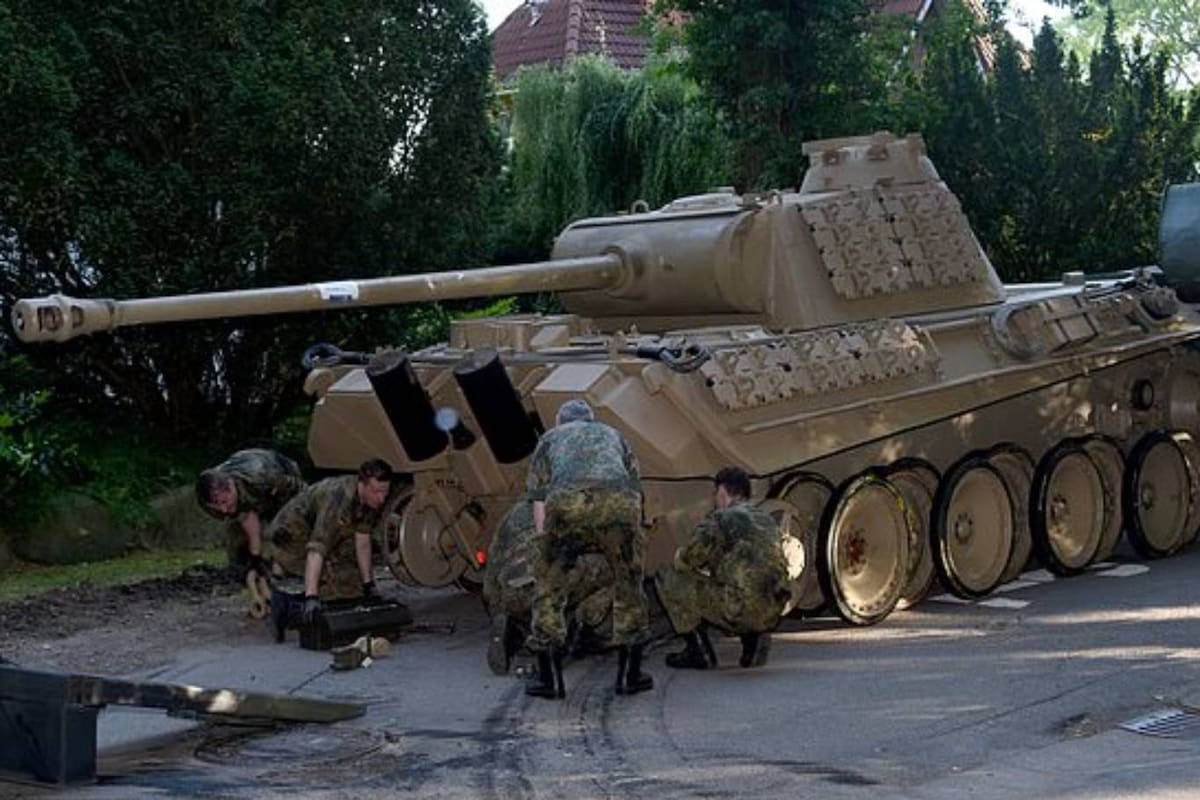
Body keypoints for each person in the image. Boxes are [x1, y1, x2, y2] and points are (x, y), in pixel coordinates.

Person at [524, 398, 652, 699]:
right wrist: (632, 540)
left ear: (561, 422)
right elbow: (635, 488)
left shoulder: (550, 438)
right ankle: (629, 676)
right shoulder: (613, 435)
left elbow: (539, 499)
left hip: (567, 503)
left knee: (549, 591)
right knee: (629, 587)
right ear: (591, 420)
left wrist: (548, 550)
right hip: (619, 503)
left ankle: (551, 680)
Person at [656, 466, 791, 670]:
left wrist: (679, 559)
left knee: (667, 576)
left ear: (721, 492)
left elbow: (691, 557)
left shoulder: (720, 518)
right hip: (773, 609)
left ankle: (698, 652)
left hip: (739, 608)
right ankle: (752, 641)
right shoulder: (765, 519)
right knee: (747, 580)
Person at [265, 459, 397, 641]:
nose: (381, 498)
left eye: (385, 492)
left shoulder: (370, 500)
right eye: (376, 492)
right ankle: (285, 607)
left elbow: (362, 540)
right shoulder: (337, 500)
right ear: (362, 484)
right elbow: (317, 549)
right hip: (289, 536)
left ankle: (312, 603)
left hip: (321, 535)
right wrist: (312, 596)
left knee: (352, 587)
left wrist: (369, 586)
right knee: (329, 586)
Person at [482, 499, 615, 675]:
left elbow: (491, 570)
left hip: (507, 594)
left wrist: (496, 607)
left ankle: (514, 628)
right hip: (542, 590)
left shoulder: (515, 511)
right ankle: (577, 627)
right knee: (611, 569)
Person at [196, 448, 306, 577]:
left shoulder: (263, 476)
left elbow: (301, 492)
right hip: (248, 489)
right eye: (216, 506)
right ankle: (245, 569)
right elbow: (246, 518)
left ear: (230, 486)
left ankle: (292, 565)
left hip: (281, 478)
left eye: (225, 501)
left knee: (285, 529)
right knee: (237, 537)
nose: (223, 509)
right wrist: (255, 556)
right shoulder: (206, 500)